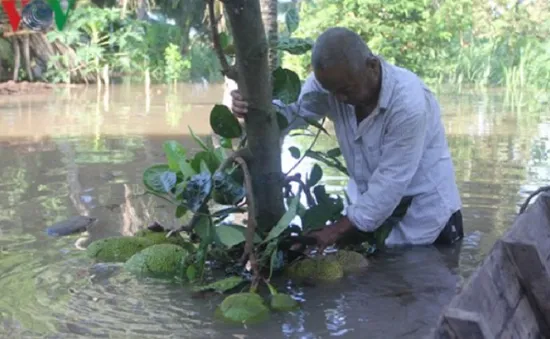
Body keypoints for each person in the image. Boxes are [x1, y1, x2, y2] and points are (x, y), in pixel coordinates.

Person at [229, 27, 463, 250]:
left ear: (372, 66)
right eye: (332, 91)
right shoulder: (331, 86)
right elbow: (292, 112)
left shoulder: (408, 104)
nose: (339, 98)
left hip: (427, 223)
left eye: (346, 90)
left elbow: (390, 182)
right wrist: (252, 109)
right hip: (371, 214)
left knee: (426, 281)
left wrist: (334, 231)